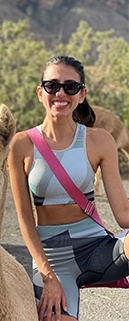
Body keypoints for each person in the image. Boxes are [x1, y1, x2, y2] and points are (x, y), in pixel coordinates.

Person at [8, 56, 129, 321]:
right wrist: (47, 276)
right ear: (40, 92)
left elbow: (123, 215)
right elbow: (26, 219)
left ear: (82, 94)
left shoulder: (99, 140)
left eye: (70, 87)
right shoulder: (21, 144)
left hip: (97, 247)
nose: (60, 93)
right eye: (52, 86)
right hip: (52, 258)